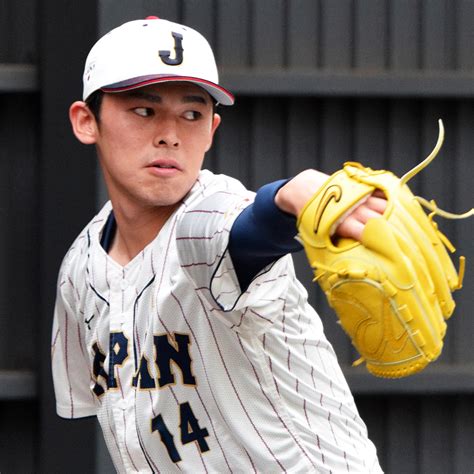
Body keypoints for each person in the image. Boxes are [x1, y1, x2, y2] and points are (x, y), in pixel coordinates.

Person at [51, 16, 385, 473]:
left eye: (192, 114)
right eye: (144, 111)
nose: (170, 133)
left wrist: (291, 195)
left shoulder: (212, 215)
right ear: (86, 121)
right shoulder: (80, 265)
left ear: (212, 129)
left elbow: (248, 229)